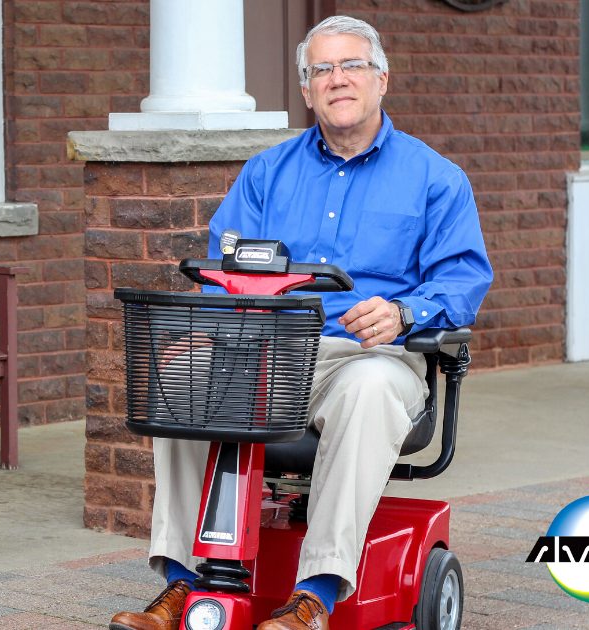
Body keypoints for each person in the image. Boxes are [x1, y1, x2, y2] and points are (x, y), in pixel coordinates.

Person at [109, 15, 492, 630]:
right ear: (307, 91)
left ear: (382, 79)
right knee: (180, 371)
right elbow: (222, 262)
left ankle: (314, 595)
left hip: (371, 357)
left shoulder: (435, 178)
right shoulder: (267, 172)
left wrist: (402, 312)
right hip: (267, 348)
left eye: (352, 66)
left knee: (366, 389)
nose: (337, 80)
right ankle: (183, 585)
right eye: (321, 70)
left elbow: (464, 279)